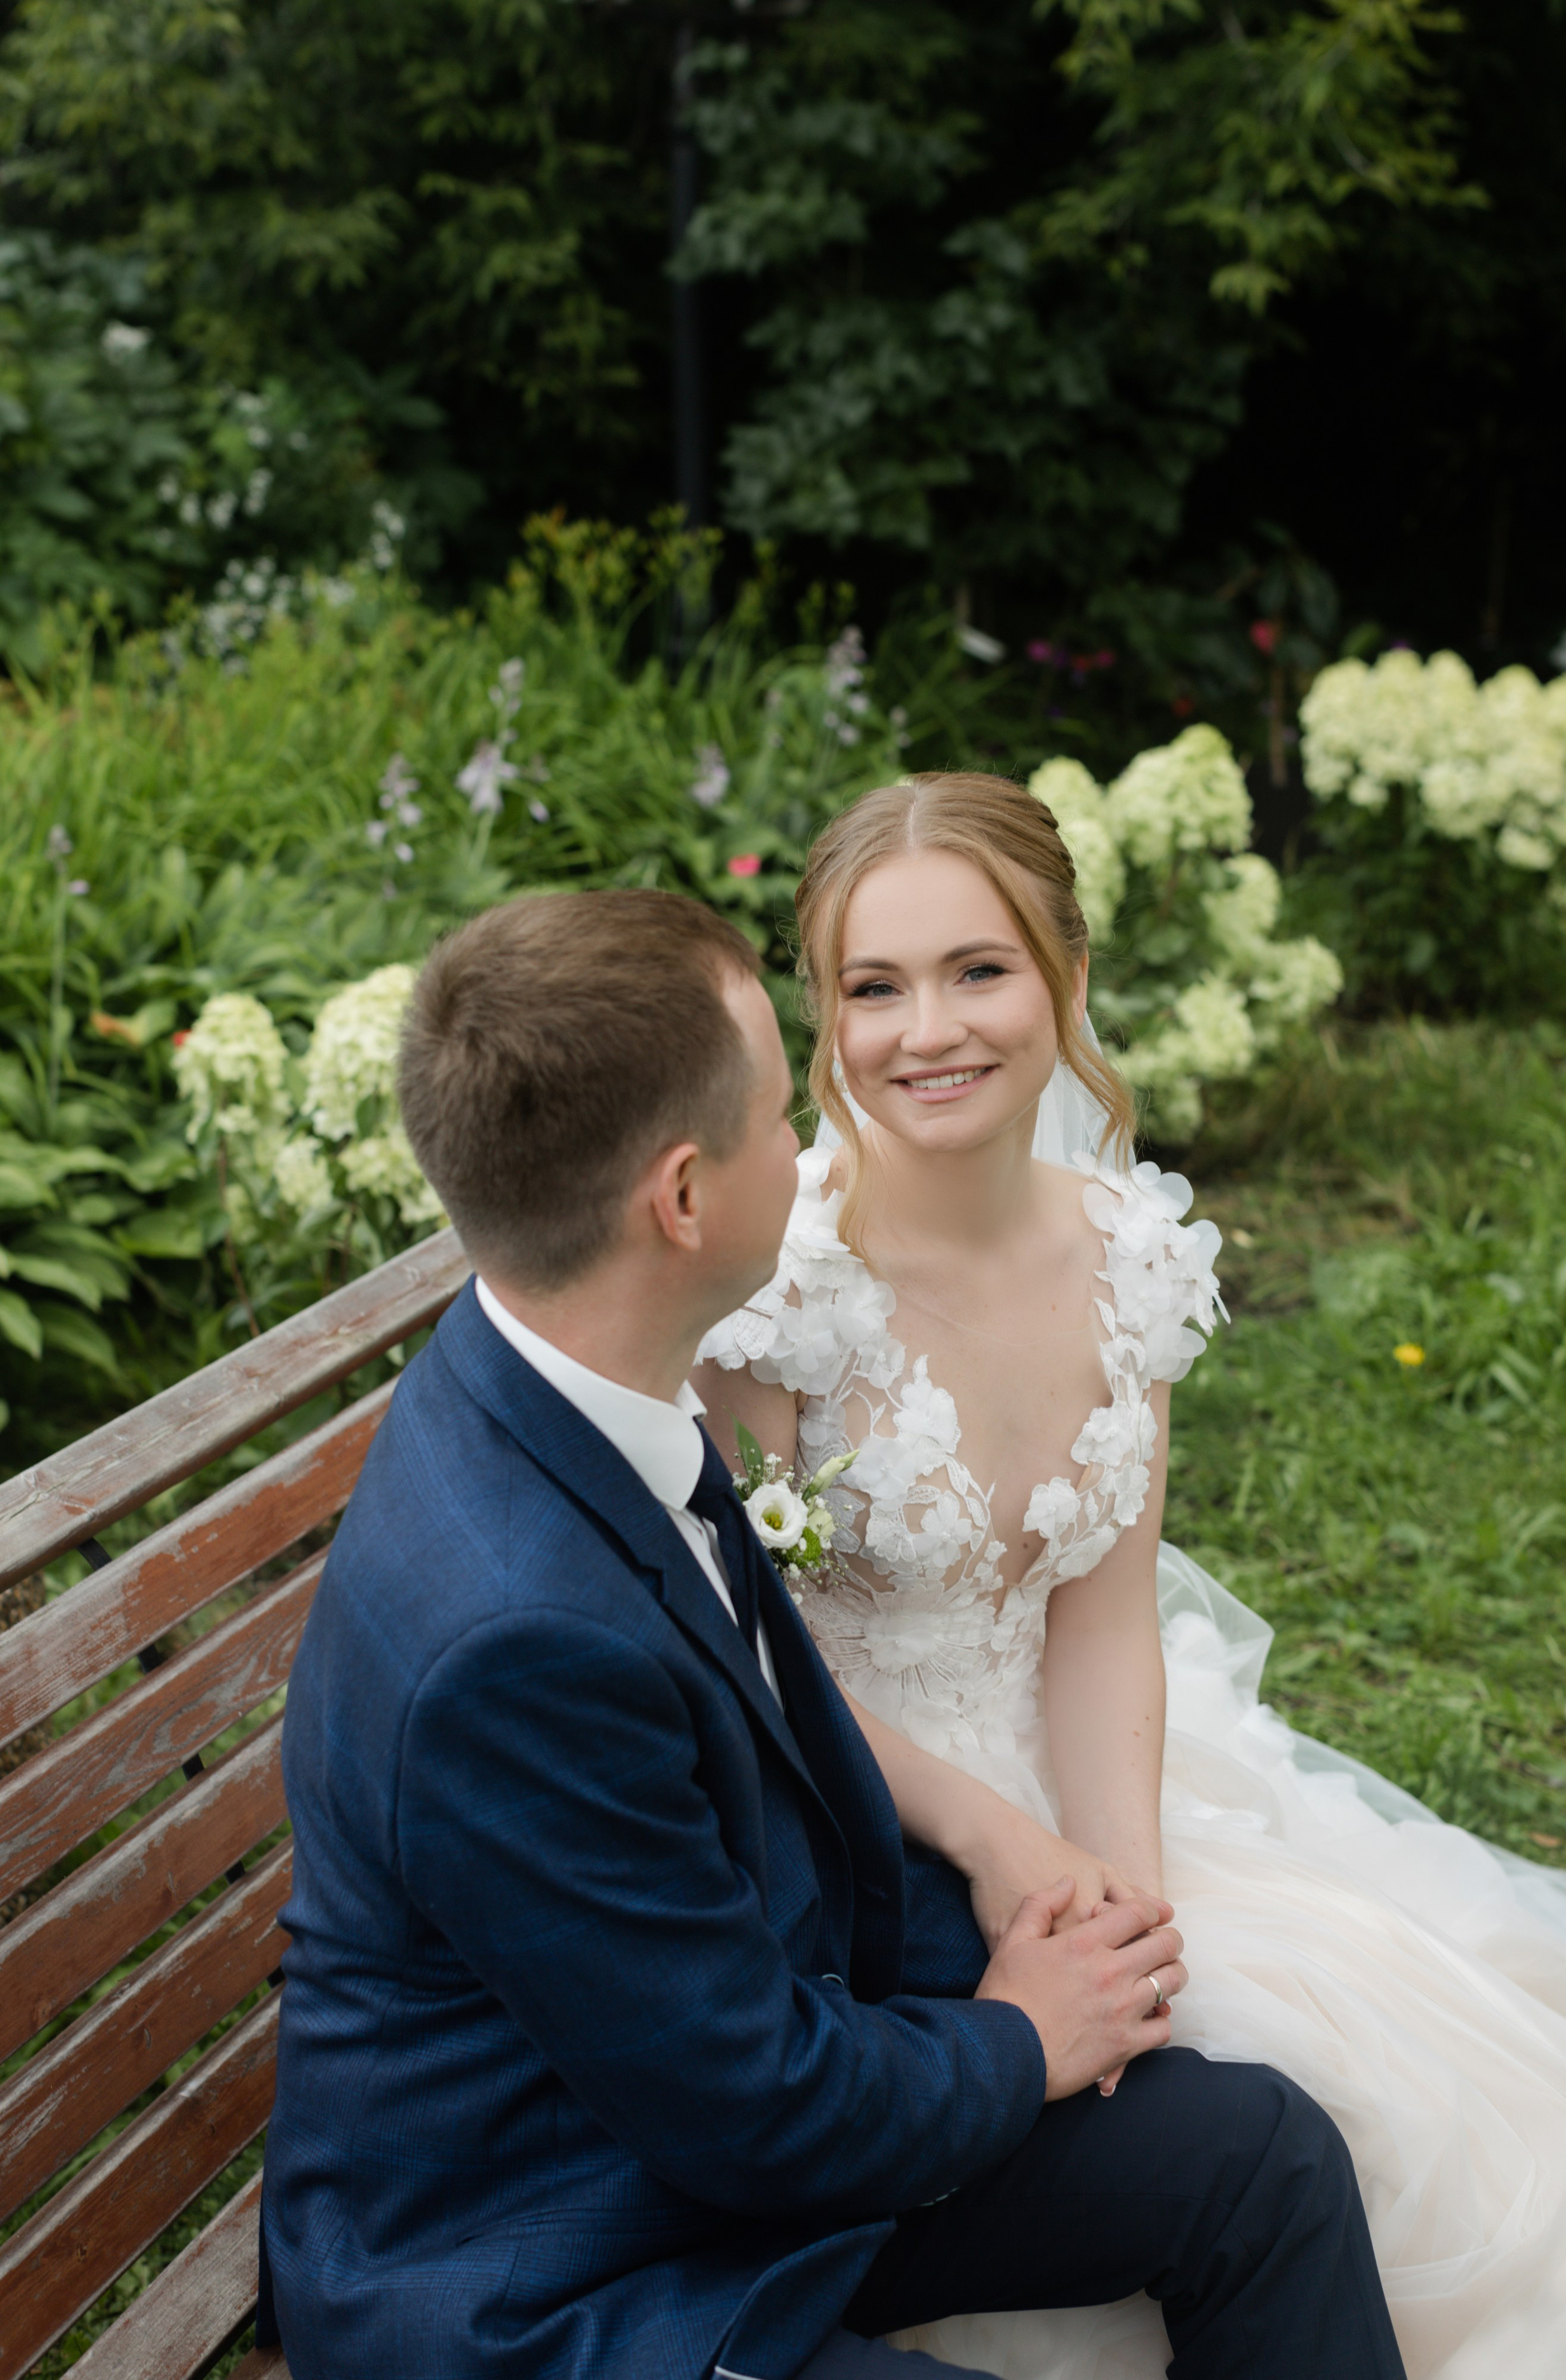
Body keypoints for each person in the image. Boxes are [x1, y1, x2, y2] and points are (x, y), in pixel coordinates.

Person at [258, 886, 1402, 2380]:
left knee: (1252, 2154)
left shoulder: (585, 1375)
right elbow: (754, 2111)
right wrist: (1017, 2036)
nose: (809, 1136)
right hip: (560, 2271)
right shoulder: (514, 1643)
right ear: (682, 1198)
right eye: (766, 1112)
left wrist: (1028, 1910)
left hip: (691, 2111)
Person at [692, 772, 1566, 2380]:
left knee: (1410, 2084)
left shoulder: (1128, 1250)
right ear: (822, 1013)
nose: (929, 1031)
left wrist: (1127, 1899)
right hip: (863, 1805)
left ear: (1062, 972)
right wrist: (1012, 1864)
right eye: (874, 986)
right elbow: (752, 1657)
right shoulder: (778, 1297)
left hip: (1087, 1767)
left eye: (977, 970)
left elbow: (1104, 1618)